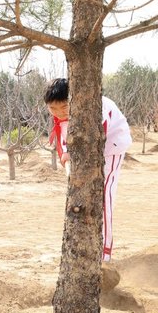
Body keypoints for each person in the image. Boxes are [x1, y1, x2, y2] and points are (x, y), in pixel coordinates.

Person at [45, 78, 132, 262]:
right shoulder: (63, 115)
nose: (59, 113)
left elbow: (95, 137)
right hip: (87, 153)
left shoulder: (96, 107)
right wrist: (66, 154)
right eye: (53, 109)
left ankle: (105, 255)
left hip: (112, 147)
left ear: (73, 100)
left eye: (63, 107)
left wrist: (71, 153)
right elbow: (65, 134)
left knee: (104, 197)